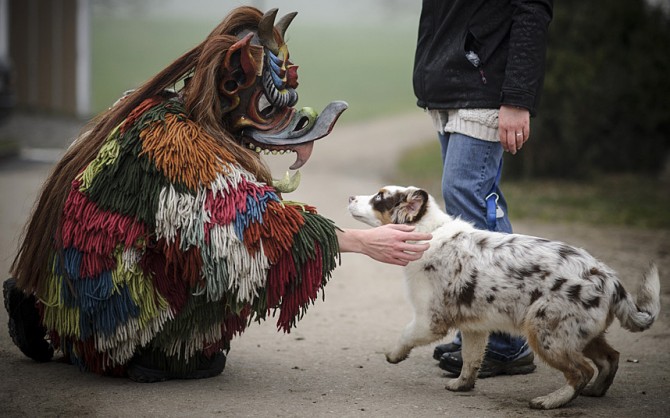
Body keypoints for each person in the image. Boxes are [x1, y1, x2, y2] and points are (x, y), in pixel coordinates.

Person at [3, 6, 431, 383]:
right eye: (266, 109)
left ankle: (43, 308)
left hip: (80, 296)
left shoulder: (157, 109)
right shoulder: (178, 145)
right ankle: (125, 342)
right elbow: (254, 230)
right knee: (210, 312)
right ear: (231, 88)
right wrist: (361, 241)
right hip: (116, 319)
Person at [413, 0, 553, 377]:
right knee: (473, 205)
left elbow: (532, 13)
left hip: (485, 85)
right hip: (451, 80)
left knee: (468, 198)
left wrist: (517, 98)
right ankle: (491, 335)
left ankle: (506, 342)